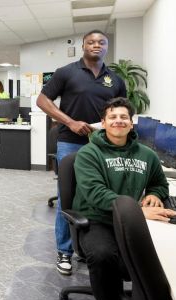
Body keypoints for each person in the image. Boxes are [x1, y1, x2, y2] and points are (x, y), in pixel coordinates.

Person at [36, 29, 127, 275]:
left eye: (102, 42)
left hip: (104, 144)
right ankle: (64, 251)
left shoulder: (115, 79)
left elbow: (122, 110)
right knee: (68, 195)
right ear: (83, 45)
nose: (96, 45)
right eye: (91, 42)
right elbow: (43, 100)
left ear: (107, 47)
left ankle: (91, 248)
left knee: (102, 194)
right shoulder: (67, 72)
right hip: (71, 142)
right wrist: (70, 122)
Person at [73, 97, 176, 300]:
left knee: (162, 251)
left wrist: (155, 194)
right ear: (103, 122)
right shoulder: (89, 154)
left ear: (131, 123)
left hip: (131, 221)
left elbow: (159, 183)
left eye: (123, 117)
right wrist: (138, 210)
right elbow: (96, 194)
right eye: (112, 117)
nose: (118, 121)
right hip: (98, 219)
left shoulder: (147, 155)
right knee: (102, 256)